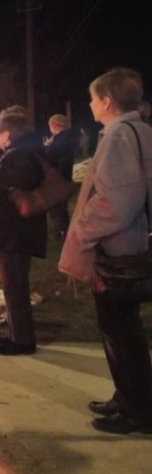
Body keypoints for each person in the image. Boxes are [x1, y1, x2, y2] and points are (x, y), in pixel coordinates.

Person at [59, 67, 152, 434]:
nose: (90, 104)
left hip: (117, 249)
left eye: (93, 98)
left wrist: (82, 229)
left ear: (108, 101)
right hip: (134, 243)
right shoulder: (141, 130)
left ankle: (137, 410)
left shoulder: (117, 136)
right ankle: (129, 397)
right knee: (127, 329)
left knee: (119, 331)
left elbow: (117, 202)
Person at [0, 105, 46, 355]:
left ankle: (23, 341)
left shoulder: (22, 154)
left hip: (16, 232)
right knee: (13, 285)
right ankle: (17, 333)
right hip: (11, 231)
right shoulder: (18, 153)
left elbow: (24, 180)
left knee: (15, 285)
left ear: (7, 134)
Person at [44, 113, 76, 239]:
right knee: (60, 205)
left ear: (54, 125)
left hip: (58, 176)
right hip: (64, 175)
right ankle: (62, 230)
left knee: (56, 206)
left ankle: (63, 231)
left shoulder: (60, 141)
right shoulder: (66, 138)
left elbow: (52, 157)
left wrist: (48, 147)